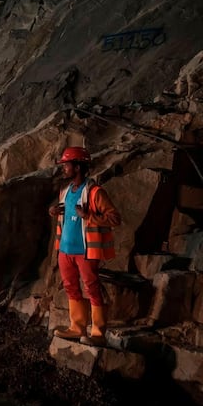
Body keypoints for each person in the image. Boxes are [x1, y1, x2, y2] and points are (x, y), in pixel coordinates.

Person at [48, 146, 121, 347]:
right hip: (65, 251)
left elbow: (115, 218)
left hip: (86, 251)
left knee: (92, 288)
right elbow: (67, 216)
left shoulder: (95, 192)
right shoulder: (66, 191)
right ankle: (77, 327)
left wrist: (89, 216)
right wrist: (54, 211)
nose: (63, 168)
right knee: (71, 288)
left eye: (66, 164)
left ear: (78, 167)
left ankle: (98, 332)